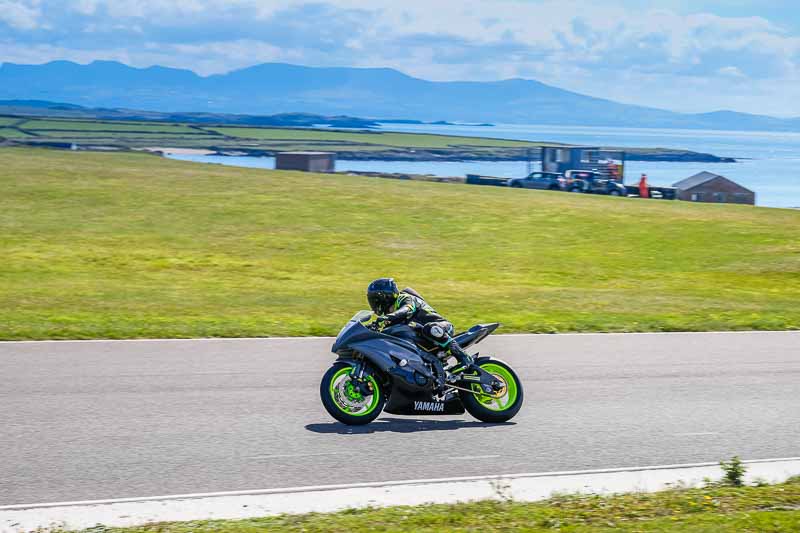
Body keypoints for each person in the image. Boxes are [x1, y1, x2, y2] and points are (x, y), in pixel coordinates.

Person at [366, 278, 474, 370]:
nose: (373, 303)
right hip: (422, 337)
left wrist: (387, 317)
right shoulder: (390, 313)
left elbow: (406, 309)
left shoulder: (404, 298)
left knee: (430, 328)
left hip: (441, 327)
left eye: (375, 299)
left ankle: (464, 357)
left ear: (385, 297)